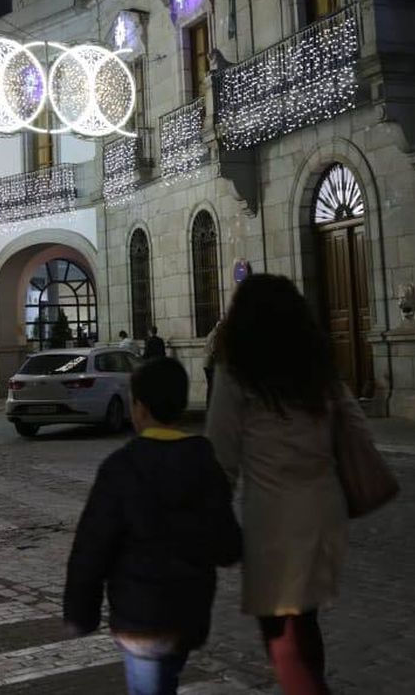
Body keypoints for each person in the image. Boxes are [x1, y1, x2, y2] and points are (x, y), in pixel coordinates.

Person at [206, 274, 355, 695]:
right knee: (304, 623)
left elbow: (221, 457)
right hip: (325, 514)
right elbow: (351, 429)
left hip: (274, 521)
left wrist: (212, 522)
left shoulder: (237, 373)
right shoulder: (317, 368)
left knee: (282, 638)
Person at [64, 358, 242, 695]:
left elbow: (92, 547)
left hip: (138, 617)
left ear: (139, 408)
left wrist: (80, 613)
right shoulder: (202, 461)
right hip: (187, 616)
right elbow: (226, 541)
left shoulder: (121, 467)